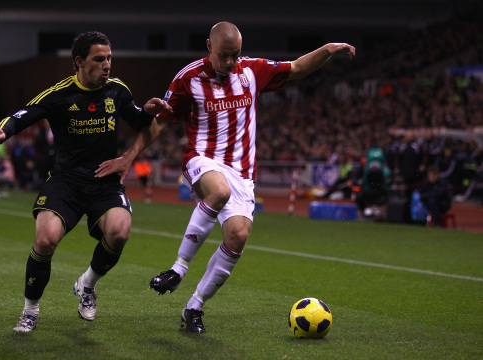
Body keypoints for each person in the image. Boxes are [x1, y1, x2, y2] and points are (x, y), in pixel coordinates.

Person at [94, 22, 355, 333]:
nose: (231, 62)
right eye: (224, 55)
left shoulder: (252, 71)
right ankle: (178, 268)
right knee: (218, 191)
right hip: (202, 160)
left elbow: (297, 68)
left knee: (238, 237)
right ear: (209, 46)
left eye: (235, 55)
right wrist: (128, 157)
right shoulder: (188, 78)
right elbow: (159, 124)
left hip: (243, 173)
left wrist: (326, 50)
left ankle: (194, 307)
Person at [0, 31, 171, 332]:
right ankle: (30, 310)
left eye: (110, 58)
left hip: (105, 182)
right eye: (100, 59)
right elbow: (23, 114)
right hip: (66, 182)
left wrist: (139, 131)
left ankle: (87, 284)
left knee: (120, 232)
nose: (107, 64)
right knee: (45, 240)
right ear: (79, 62)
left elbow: (143, 123)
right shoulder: (59, 94)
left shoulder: (117, 91)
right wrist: (2, 131)